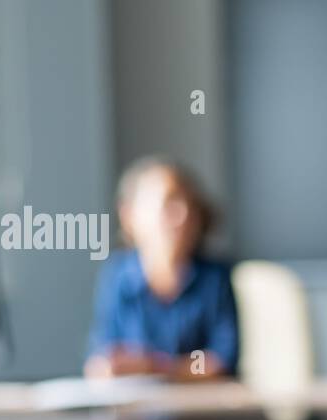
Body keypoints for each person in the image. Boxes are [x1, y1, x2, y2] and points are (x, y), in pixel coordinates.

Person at [85, 156, 238, 380]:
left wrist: (153, 367)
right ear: (130, 216)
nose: (183, 215)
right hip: (134, 411)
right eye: (169, 203)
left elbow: (221, 361)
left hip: (199, 409)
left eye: (189, 204)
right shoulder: (117, 276)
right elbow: (103, 357)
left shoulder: (215, 278)